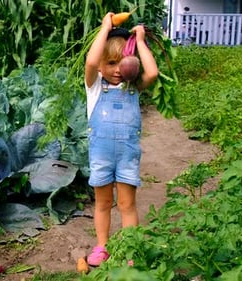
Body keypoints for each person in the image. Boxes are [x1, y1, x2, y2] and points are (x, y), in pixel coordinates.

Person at [84, 12, 158, 266]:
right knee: (103, 203)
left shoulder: (132, 88)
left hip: (127, 155)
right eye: (112, 63)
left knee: (127, 204)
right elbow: (91, 62)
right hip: (101, 156)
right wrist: (105, 28)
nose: (117, 70)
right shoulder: (94, 87)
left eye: (123, 63)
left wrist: (139, 41)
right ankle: (102, 246)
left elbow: (153, 72)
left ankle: (130, 249)